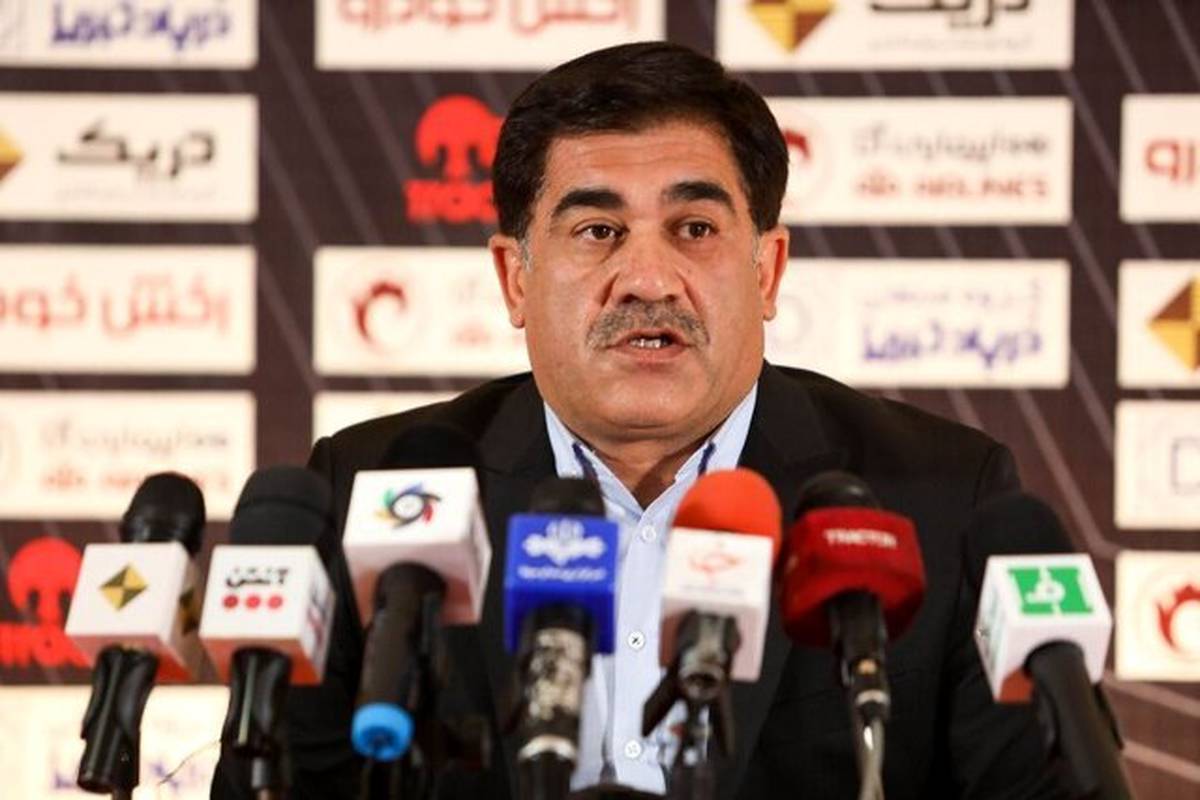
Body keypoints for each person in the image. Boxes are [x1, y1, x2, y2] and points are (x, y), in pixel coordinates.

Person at [212, 41, 1066, 800]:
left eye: (694, 227)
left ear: (767, 271)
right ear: (516, 279)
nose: (649, 279)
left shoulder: (940, 498)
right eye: (597, 230)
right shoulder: (373, 493)